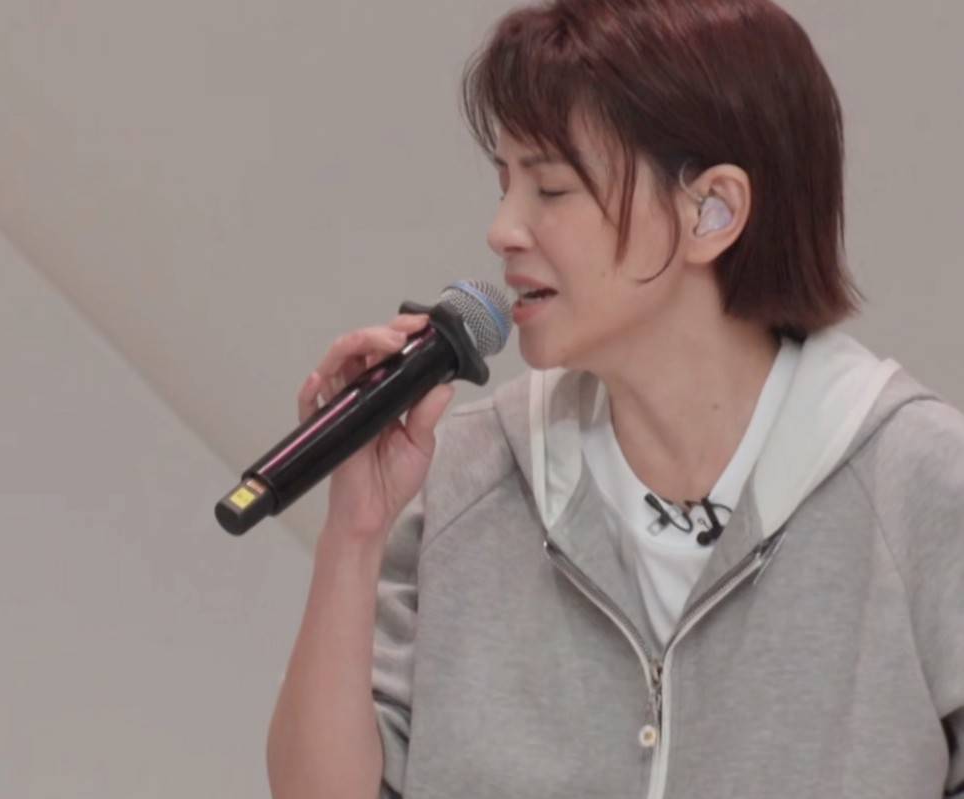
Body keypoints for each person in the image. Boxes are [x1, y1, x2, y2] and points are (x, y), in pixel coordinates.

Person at [266, 0, 964, 796]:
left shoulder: (917, 483)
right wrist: (354, 531)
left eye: (551, 187)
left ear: (712, 210)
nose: (502, 229)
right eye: (504, 183)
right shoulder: (468, 475)